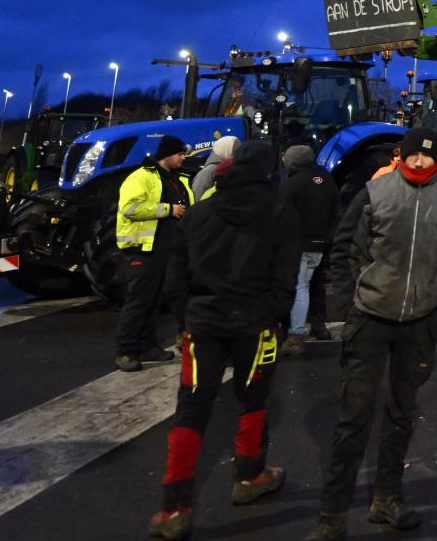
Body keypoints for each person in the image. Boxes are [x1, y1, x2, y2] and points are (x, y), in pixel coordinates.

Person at [305, 127, 437, 541]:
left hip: (420, 321)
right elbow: (344, 249)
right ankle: (332, 515)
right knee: (353, 417)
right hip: (371, 319)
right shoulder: (375, 193)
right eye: (415, 156)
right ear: (403, 156)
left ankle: (387, 499)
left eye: (428, 158)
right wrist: (350, 306)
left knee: (401, 414)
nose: (420, 163)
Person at [147, 140, 301, 540]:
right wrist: (275, 315)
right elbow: (286, 277)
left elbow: (175, 276)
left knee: (192, 409)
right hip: (255, 323)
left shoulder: (199, 213)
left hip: (203, 324)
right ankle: (249, 476)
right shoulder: (279, 213)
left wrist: (186, 318)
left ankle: (173, 507)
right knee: (254, 400)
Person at [115, 135, 194, 372]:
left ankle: (148, 346)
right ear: (167, 155)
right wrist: (170, 209)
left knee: (154, 302)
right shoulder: (141, 177)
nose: (183, 158)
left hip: (166, 251)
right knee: (139, 301)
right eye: (180, 154)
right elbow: (130, 208)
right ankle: (126, 350)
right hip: (144, 249)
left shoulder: (178, 180)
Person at [279, 144, 339, 355]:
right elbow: (335, 211)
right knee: (315, 285)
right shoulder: (326, 179)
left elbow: (282, 214)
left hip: (300, 244)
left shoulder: (293, 183)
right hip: (321, 244)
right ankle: (317, 324)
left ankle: (295, 335)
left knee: (299, 287)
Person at [190, 135, 240, 200]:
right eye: (234, 151)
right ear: (224, 150)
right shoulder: (208, 172)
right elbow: (197, 198)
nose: (237, 155)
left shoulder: (231, 168)